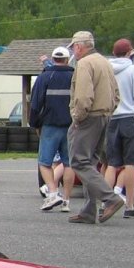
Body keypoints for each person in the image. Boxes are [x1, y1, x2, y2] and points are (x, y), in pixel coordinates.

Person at [66, 30, 123, 224]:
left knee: (79, 162)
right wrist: (108, 110)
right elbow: (116, 94)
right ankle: (89, 210)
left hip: (88, 117)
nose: (74, 51)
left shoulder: (84, 64)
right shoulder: (104, 61)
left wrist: (77, 116)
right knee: (91, 163)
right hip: (105, 115)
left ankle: (111, 198)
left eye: (74, 47)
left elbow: (83, 96)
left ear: (79, 47)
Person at [104, 39, 134, 218]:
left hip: (112, 117)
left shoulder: (107, 69)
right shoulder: (133, 70)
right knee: (130, 162)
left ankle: (105, 202)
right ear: (129, 52)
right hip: (130, 117)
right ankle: (129, 205)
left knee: (112, 163)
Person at [31, 47, 76, 213]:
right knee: (68, 163)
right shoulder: (74, 76)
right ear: (67, 59)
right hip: (71, 126)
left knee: (44, 162)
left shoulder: (44, 77)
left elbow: (35, 103)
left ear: (53, 58)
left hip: (49, 125)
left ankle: (52, 192)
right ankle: (67, 200)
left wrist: (35, 124)